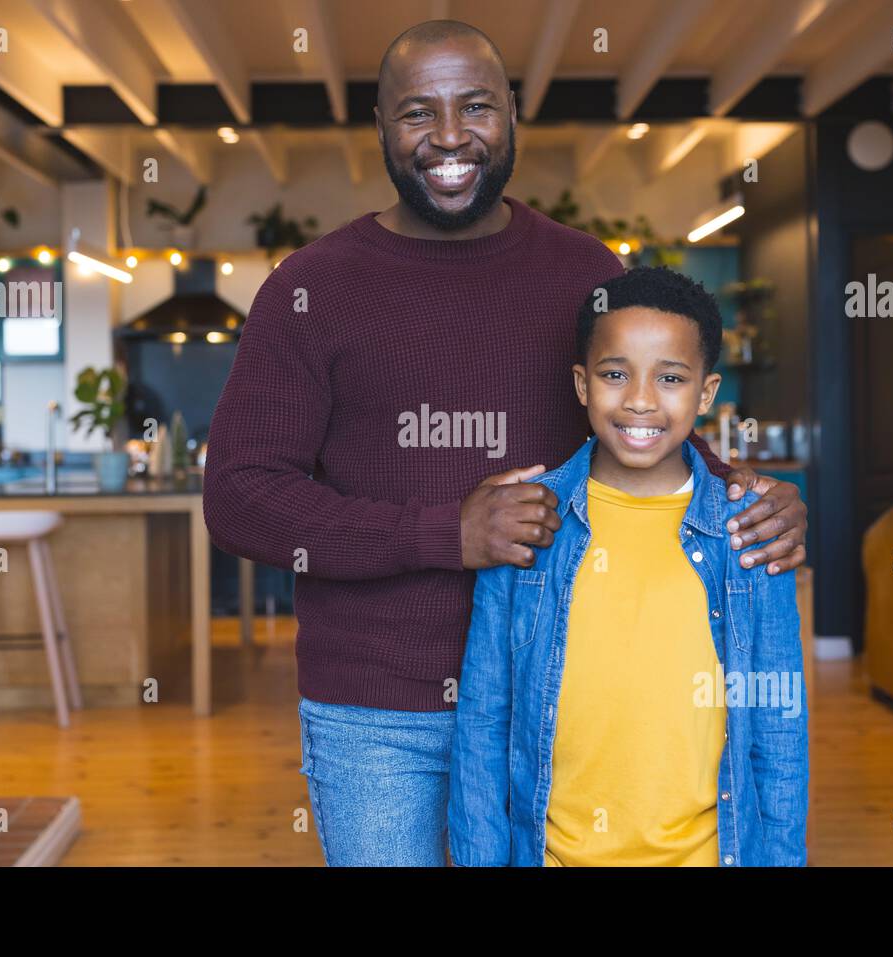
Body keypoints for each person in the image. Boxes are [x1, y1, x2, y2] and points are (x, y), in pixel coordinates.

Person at [202, 20, 808, 867]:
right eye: (418, 113)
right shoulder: (310, 289)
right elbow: (237, 495)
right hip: (378, 712)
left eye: (476, 106)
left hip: (556, 694)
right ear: (381, 128)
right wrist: (445, 533)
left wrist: (744, 489)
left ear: (512, 116)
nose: (450, 137)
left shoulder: (582, 272)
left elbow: (635, 418)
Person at [448, 267, 808, 866]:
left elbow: (778, 731)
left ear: (706, 393)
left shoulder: (748, 532)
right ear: (582, 385)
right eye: (616, 374)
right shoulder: (527, 522)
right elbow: (486, 720)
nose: (640, 399)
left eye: (670, 378)